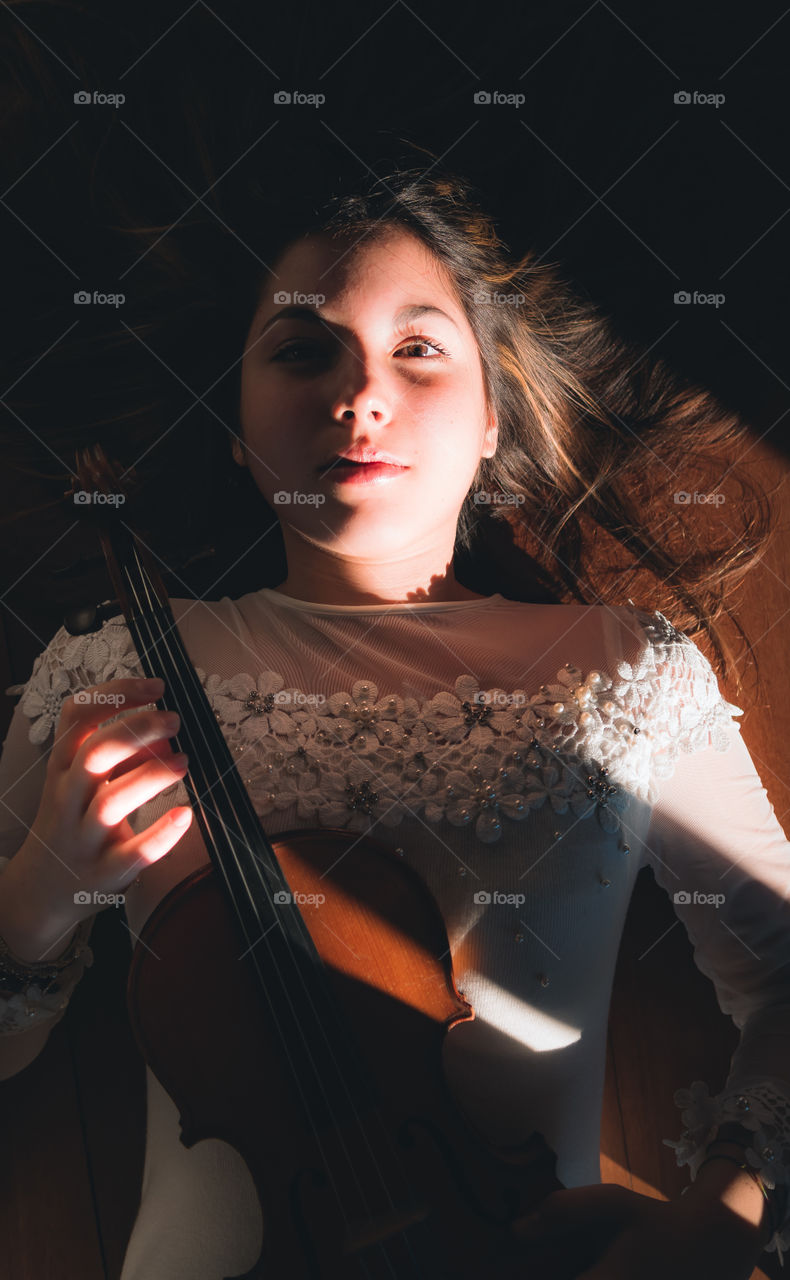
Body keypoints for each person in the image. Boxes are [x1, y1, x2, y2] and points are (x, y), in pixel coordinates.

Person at [1, 166, 789, 1279]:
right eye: (300, 349)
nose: (358, 393)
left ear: (490, 421)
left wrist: (725, 1215)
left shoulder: (622, 667)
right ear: (233, 427)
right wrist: (34, 892)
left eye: (417, 348)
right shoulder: (110, 670)